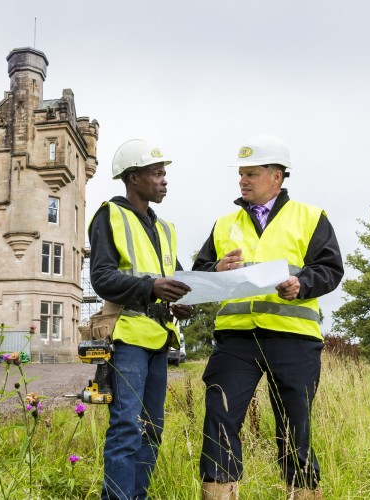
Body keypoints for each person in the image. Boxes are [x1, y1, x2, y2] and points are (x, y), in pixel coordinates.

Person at [193, 134, 344, 500]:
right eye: (241, 174)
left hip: (293, 337)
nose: (243, 180)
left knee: (295, 428)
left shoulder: (310, 217)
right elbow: (199, 273)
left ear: (277, 175)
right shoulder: (224, 222)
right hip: (236, 340)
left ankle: (302, 494)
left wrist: (302, 283)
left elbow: (330, 269)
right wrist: (216, 267)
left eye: (252, 173)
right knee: (220, 419)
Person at [88, 138, 194, 499]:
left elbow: (176, 281)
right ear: (133, 178)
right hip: (128, 336)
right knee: (127, 427)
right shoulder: (109, 215)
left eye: (164, 174)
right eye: (157, 173)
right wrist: (152, 287)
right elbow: (101, 277)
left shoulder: (165, 229)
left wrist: (183, 302)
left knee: (152, 428)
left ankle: (138, 495)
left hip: (160, 339)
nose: (164, 181)